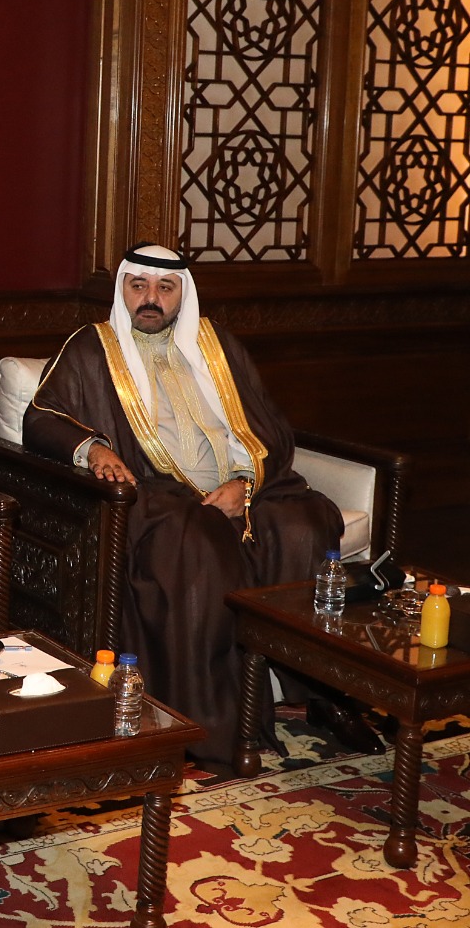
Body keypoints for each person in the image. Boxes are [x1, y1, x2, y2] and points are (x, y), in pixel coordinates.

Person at [23, 244, 380, 767]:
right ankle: (219, 721)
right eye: (139, 286)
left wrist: (244, 484)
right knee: (200, 545)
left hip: (243, 487)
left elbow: (268, 426)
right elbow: (40, 419)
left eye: (164, 288)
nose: (151, 298)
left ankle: (324, 692)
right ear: (123, 290)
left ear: (182, 295)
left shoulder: (219, 347)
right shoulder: (90, 348)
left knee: (304, 525)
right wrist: (94, 448)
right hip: (158, 492)